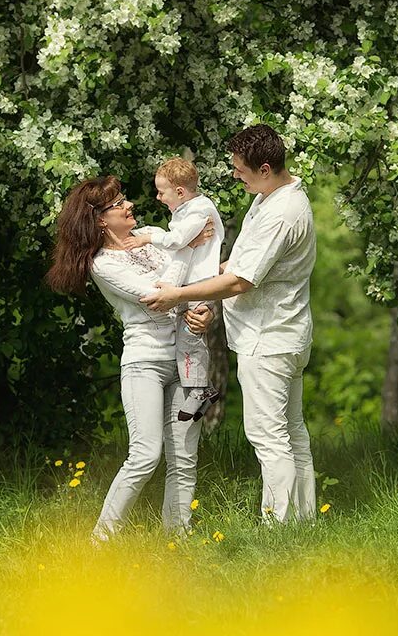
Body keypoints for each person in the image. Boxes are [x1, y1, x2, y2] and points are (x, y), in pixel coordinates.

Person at [142, 125, 316, 524]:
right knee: (292, 431)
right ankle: (306, 521)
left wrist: (178, 295)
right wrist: (207, 275)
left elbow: (241, 280)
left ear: (266, 167)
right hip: (281, 332)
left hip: (269, 339)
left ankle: (278, 529)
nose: (235, 175)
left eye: (240, 169)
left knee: (269, 437)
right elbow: (242, 266)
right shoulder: (270, 196)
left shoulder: (282, 212)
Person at [46, 175, 215, 541]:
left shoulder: (153, 233)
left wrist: (205, 311)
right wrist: (186, 249)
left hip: (190, 358)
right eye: (119, 203)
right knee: (145, 453)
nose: (129, 205)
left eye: (124, 199)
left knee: (184, 458)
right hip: (146, 363)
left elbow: (195, 281)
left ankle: (178, 540)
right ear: (101, 220)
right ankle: (101, 540)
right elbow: (157, 296)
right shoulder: (103, 265)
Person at [122, 157, 225, 422]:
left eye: (161, 191)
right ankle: (200, 388)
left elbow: (176, 240)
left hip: (200, 283)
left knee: (190, 336)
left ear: (180, 192)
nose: (157, 197)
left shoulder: (198, 210)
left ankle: (200, 388)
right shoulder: (188, 209)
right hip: (191, 282)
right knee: (187, 334)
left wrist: (145, 238)